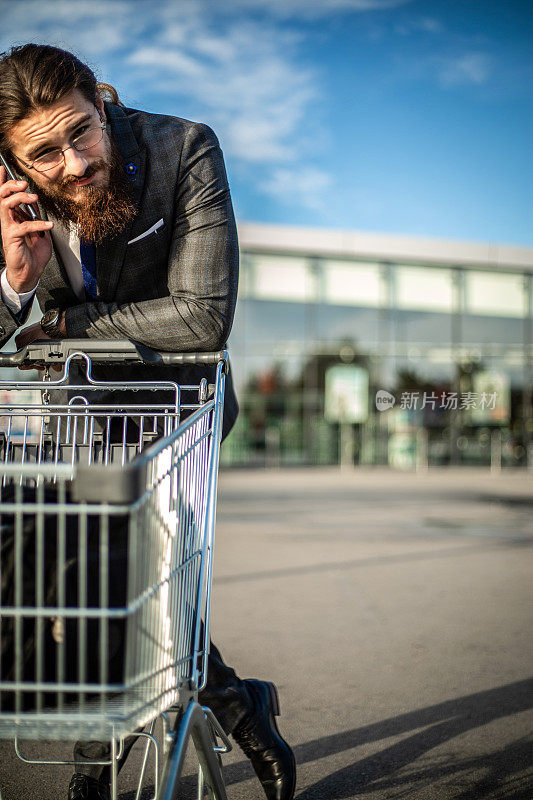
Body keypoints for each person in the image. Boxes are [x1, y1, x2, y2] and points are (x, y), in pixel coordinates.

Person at [0, 43, 296, 800]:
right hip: (85, 411)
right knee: (107, 581)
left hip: (177, 408)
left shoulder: (181, 147)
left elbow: (200, 317)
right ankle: (233, 701)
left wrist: (62, 326)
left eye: (82, 132)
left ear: (101, 104)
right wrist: (13, 285)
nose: (72, 163)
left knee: (124, 576)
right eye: (45, 153)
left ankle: (92, 769)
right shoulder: (4, 199)